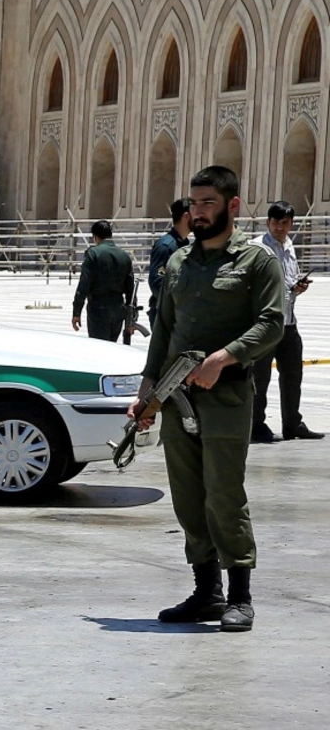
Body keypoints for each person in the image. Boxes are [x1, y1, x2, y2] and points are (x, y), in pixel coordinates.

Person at [130, 165, 284, 632]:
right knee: (189, 497)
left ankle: (240, 595)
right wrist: (146, 390)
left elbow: (272, 322)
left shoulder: (257, 263)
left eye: (207, 204)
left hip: (229, 398)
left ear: (232, 206)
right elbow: (164, 331)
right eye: (193, 204)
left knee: (223, 494)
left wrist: (225, 357)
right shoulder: (179, 263)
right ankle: (206, 592)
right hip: (177, 399)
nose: (197, 213)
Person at [250, 201, 324, 443]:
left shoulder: (290, 247)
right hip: (265, 322)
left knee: (293, 375)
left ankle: (292, 422)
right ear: (268, 223)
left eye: (285, 223)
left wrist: (297, 288)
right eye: (275, 222)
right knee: (260, 377)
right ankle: (255, 424)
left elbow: (288, 281)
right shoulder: (257, 248)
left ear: (291, 224)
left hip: (289, 322)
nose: (280, 228)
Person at [71, 219, 134, 342]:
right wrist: (131, 317)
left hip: (98, 308)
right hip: (118, 308)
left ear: (95, 236)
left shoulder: (93, 253)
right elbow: (130, 289)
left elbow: (84, 284)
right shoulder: (124, 256)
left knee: (99, 348)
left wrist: (76, 311)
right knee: (112, 346)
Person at [147, 199, 191, 327]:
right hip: (166, 314)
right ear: (186, 216)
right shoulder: (166, 246)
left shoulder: (184, 244)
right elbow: (157, 282)